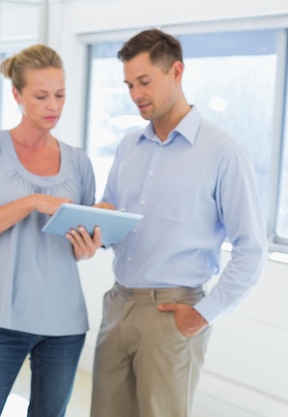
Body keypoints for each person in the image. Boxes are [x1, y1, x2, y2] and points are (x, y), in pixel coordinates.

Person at [89, 28, 268, 417]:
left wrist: (204, 313)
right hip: (119, 304)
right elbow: (115, 215)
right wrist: (95, 228)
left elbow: (252, 249)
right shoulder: (128, 147)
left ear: (176, 72)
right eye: (129, 84)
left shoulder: (223, 152)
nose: (135, 94)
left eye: (144, 81)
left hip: (174, 312)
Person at [0, 44, 102, 417]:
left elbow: (78, 241)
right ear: (17, 94)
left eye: (60, 95)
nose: (52, 105)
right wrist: (30, 202)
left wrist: (86, 248)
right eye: (40, 96)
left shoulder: (79, 162)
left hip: (64, 324)